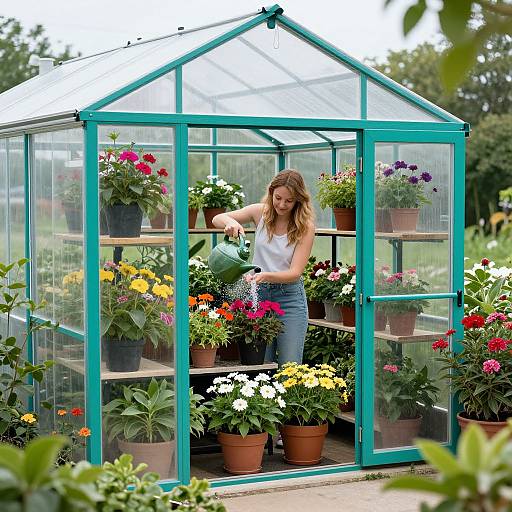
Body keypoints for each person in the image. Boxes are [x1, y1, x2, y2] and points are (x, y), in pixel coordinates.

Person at [212, 169, 315, 367]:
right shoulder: (260, 212)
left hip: (289, 299)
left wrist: (265, 275)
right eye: (278, 198)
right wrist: (231, 224)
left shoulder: (305, 227)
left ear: (299, 201)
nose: (282, 204)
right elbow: (217, 218)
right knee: (260, 365)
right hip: (258, 295)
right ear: (271, 192)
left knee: (289, 367)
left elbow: (295, 273)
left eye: (289, 200)